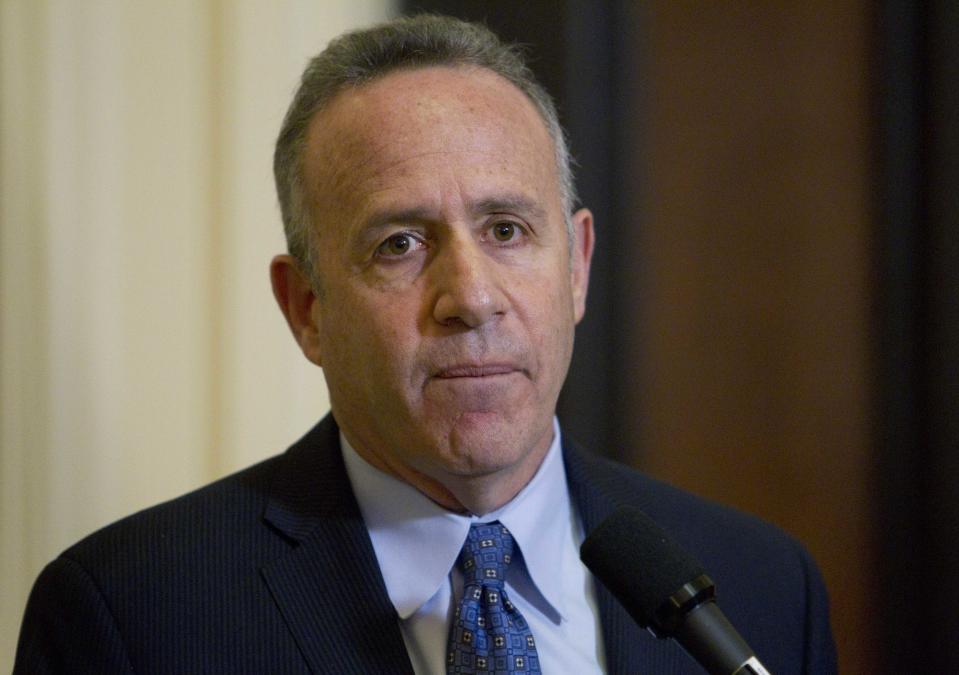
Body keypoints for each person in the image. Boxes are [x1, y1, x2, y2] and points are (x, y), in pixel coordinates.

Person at [15, 14, 837, 674]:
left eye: (507, 229)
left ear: (578, 266)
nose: (472, 297)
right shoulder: (130, 614)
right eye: (400, 244)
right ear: (306, 307)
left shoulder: (762, 586)